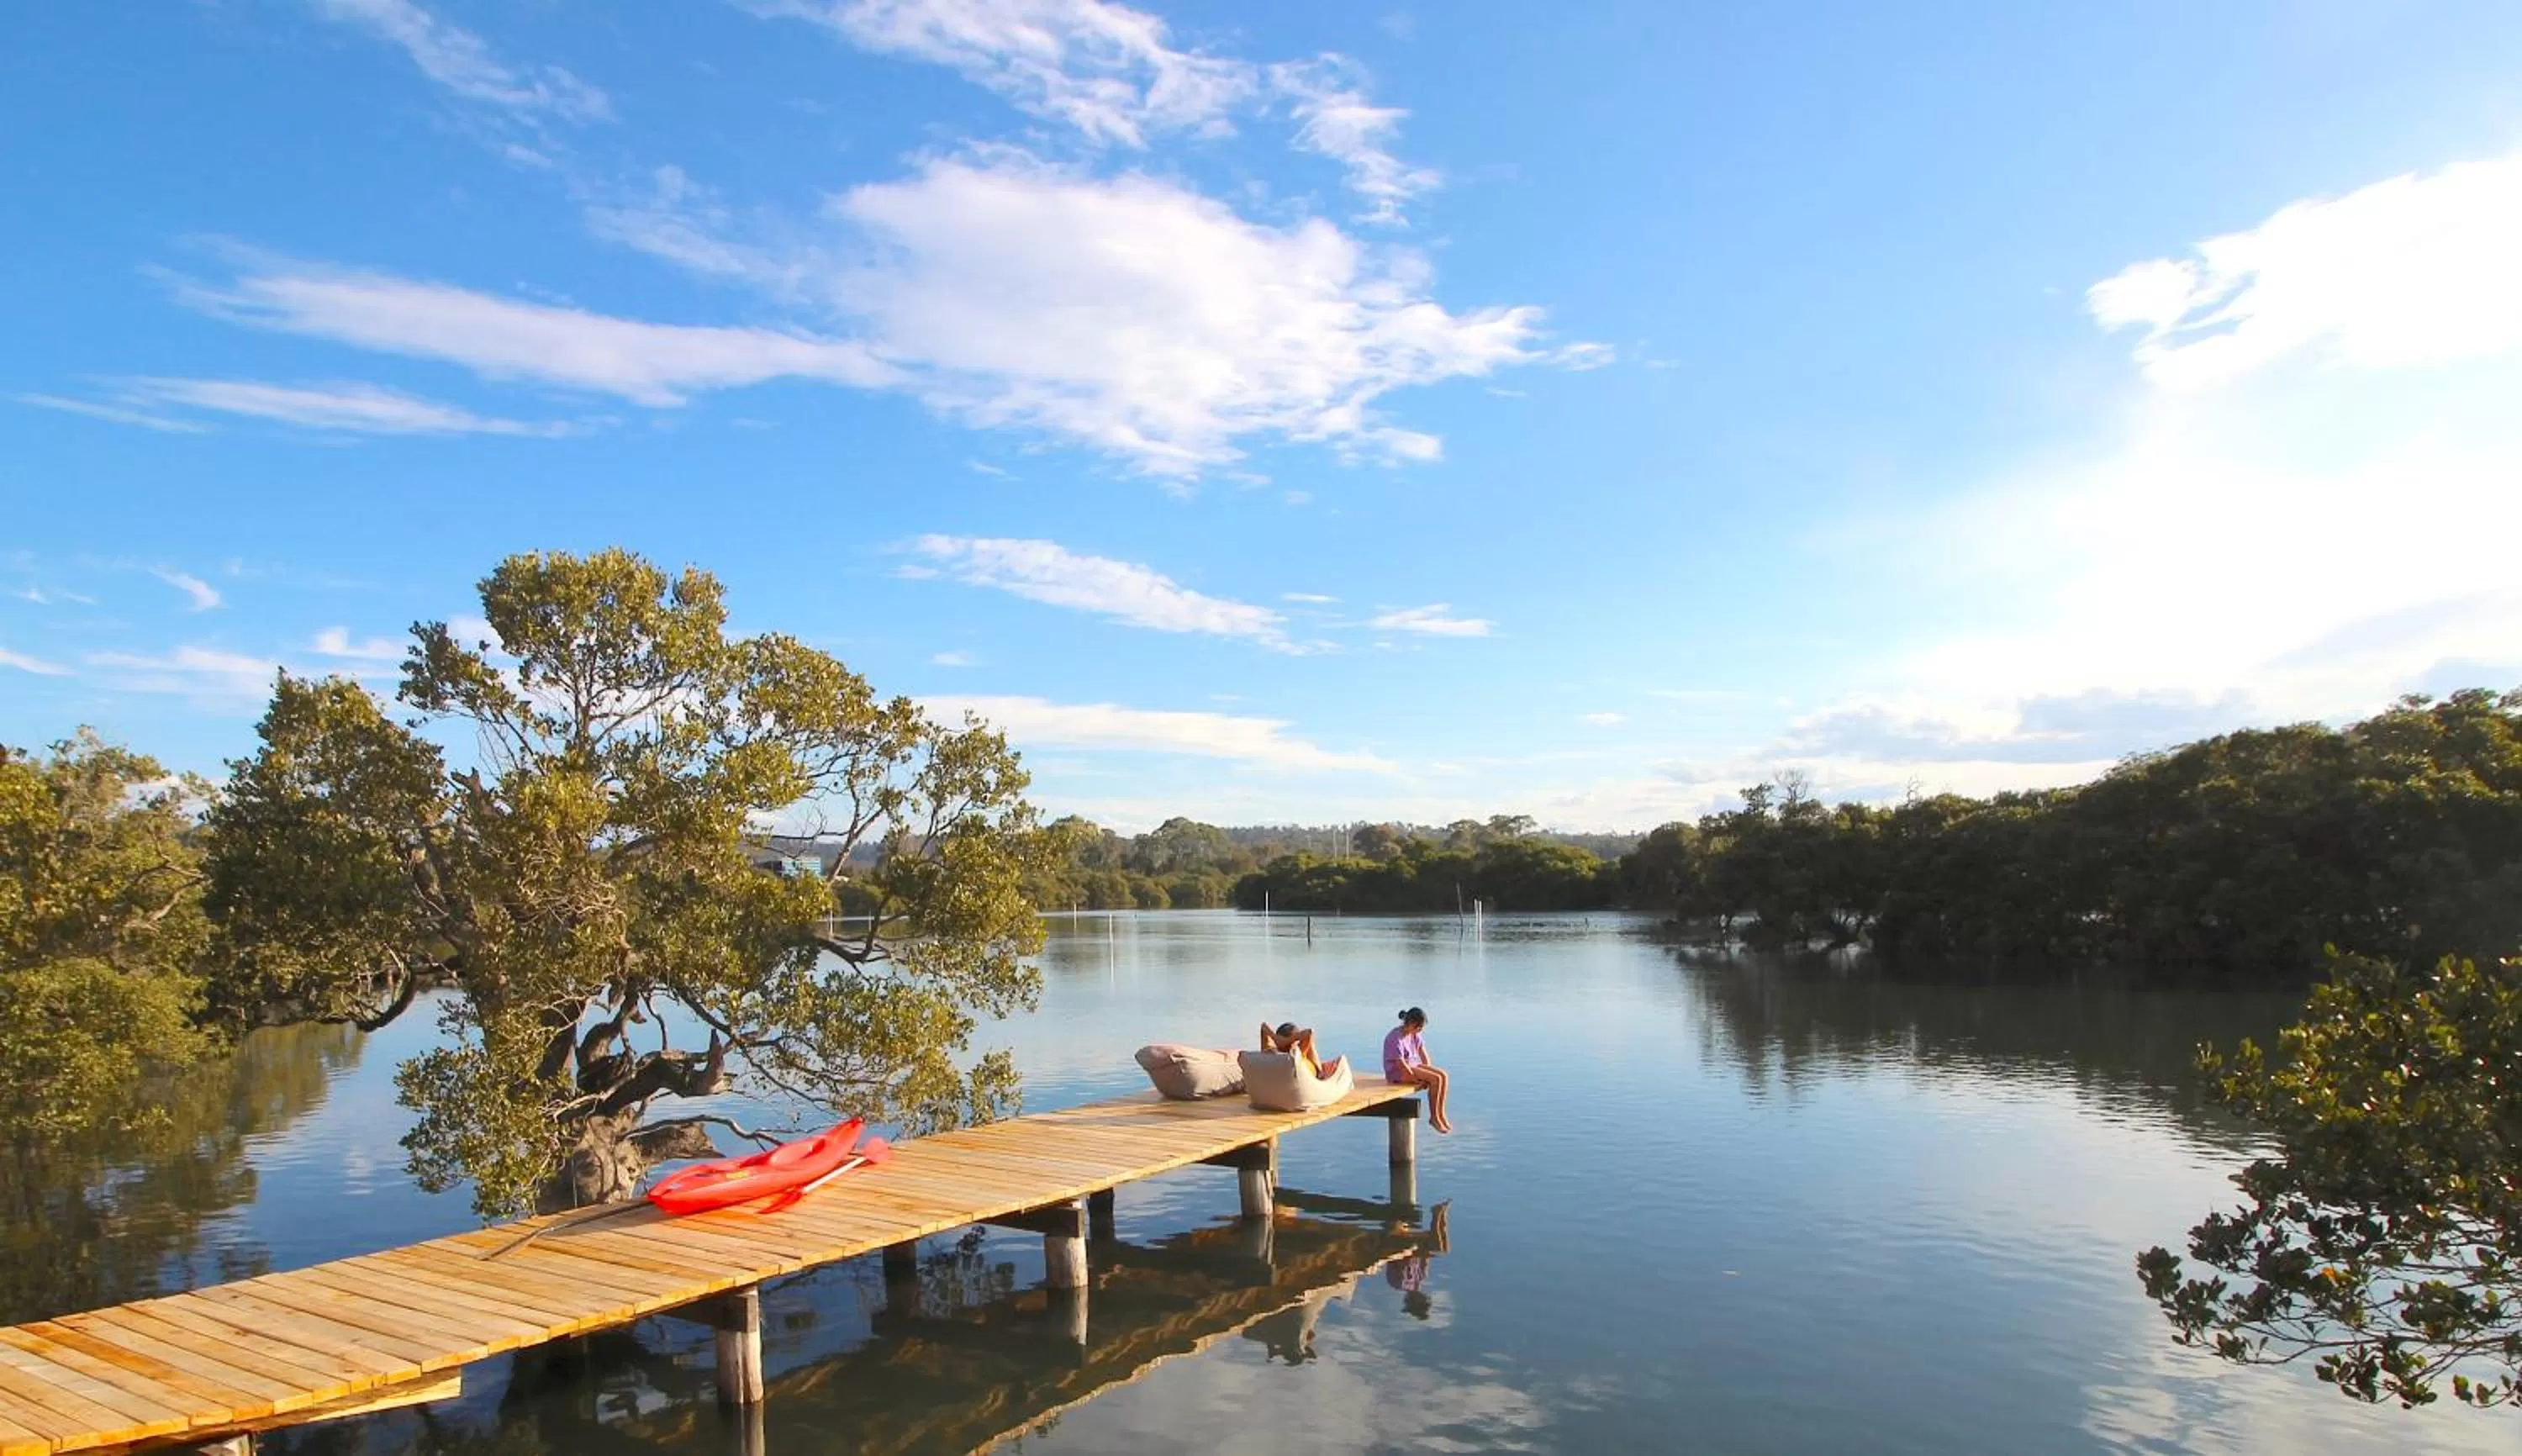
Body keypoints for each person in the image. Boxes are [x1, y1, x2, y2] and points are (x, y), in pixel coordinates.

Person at [1381, 1007, 1453, 1133]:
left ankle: (1441, 1114)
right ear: (1412, 1024)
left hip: (1413, 1065)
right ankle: (1434, 1117)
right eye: (1419, 1027)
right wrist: (1417, 1080)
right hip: (1398, 1071)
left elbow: (1424, 1056)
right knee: (1435, 1080)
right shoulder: (1395, 1037)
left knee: (1443, 1076)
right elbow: (1401, 1064)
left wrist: (1428, 1071)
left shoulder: (1415, 1035)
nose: (1420, 1031)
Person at [1259, 1021, 1344, 1079]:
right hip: (1313, 1073)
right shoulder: (1297, 1057)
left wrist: (1277, 1039)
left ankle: (1320, 1071)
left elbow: (1264, 1027)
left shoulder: (1269, 1053)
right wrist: (1288, 1041)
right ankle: (1320, 1072)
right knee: (1310, 1045)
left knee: (1309, 1046)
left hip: (1307, 1070)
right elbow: (1309, 1033)